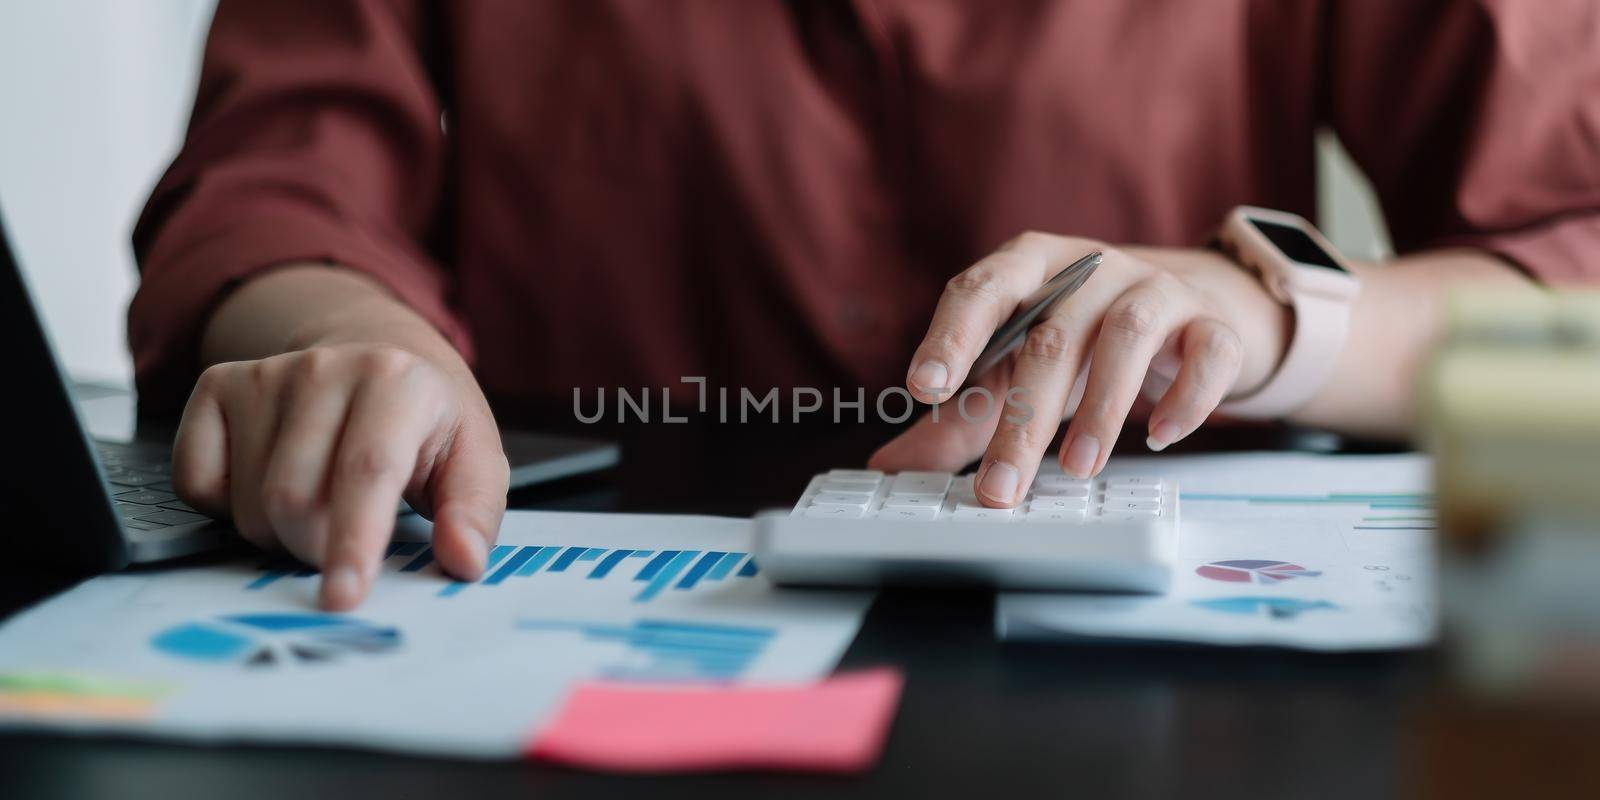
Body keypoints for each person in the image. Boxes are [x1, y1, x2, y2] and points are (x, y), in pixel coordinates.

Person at [129, 1, 1599, 610]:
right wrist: (348, 343)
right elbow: (277, 185)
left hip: (1164, 670)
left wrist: (1271, 317)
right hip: (503, 610)